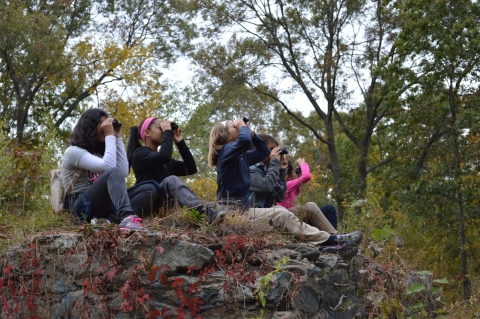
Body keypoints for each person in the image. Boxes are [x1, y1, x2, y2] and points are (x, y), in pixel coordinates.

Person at [209, 125, 362, 252]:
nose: (276, 152)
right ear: (227, 136)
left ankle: (339, 242)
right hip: (240, 212)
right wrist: (243, 126)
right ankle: (332, 241)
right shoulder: (245, 165)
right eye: (273, 149)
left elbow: (279, 195)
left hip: (256, 210)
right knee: (281, 213)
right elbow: (266, 185)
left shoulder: (245, 160)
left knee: (310, 207)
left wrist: (280, 170)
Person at [62, 108, 150, 231]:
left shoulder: (101, 153)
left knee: (150, 187)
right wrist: (109, 135)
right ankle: (127, 218)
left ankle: (109, 220)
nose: (106, 127)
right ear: (90, 126)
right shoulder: (74, 152)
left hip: (105, 203)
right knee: (113, 172)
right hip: (81, 205)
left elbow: (123, 171)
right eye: (102, 123)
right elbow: (110, 168)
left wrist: (117, 137)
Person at [127, 117, 225, 225]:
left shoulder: (166, 161)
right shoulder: (139, 154)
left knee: (216, 204)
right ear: (147, 132)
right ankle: (204, 211)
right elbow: (163, 156)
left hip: (164, 203)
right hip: (149, 200)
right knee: (171, 179)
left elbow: (191, 168)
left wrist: (180, 142)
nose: (164, 131)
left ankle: (209, 211)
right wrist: (168, 132)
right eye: (161, 128)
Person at [277, 158, 338, 232]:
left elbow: (299, 186)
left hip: (292, 217)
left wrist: (299, 174)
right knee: (310, 206)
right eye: (294, 172)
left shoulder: (290, 187)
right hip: (285, 217)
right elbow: (306, 177)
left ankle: (331, 236)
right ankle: (334, 237)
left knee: (330, 209)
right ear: (287, 176)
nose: (296, 173)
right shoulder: (285, 185)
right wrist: (303, 164)